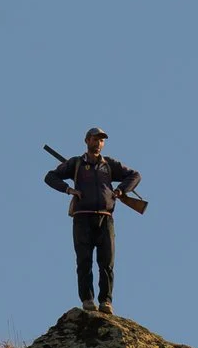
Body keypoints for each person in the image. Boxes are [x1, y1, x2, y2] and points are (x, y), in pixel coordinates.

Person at [43, 127, 141, 314]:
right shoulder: (76, 163)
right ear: (87, 140)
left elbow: (135, 175)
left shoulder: (109, 165)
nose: (99, 143)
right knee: (84, 261)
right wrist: (68, 189)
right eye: (95, 139)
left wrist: (121, 190)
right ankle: (87, 300)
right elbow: (50, 177)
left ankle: (106, 301)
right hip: (83, 218)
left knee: (107, 262)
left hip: (105, 217)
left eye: (101, 140)